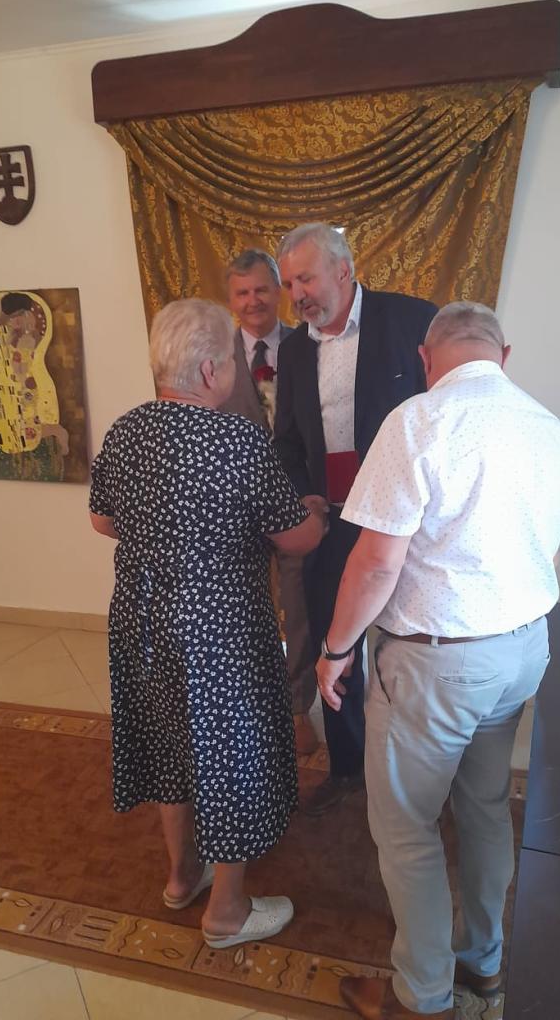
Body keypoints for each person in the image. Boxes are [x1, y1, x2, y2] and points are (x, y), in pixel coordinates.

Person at [316, 302, 560, 1019]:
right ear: (504, 355)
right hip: (521, 650)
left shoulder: (416, 422)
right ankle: (483, 964)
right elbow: (547, 552)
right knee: (486, 806)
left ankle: (422, 995)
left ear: (427, 358)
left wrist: (336, 649)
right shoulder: (550, 430)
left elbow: (376, 565)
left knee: (407, 826)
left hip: (437, 663)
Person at [89, 298, 325, 949]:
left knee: (170, 744)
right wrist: (315, 511)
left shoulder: (125, 430)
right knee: (232, 756)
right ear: (212, 369)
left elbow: (103, 520)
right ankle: (226, 911)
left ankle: (181, 875)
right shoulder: (237, 440)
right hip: (220, 631)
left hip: (141, 622)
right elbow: (296, 538)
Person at [275, 222, 438, 815]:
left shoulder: (412, 320)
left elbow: (438, 413)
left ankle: (422, 773)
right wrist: (303, 496)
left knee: (408, 646)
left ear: (343, 271)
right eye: (290, 284)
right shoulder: (294, 350)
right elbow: (288, 440)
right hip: (332, 519)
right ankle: (347, 768)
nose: (297, 295)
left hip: (401, 524)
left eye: (306, 279)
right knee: (333, 640)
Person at [220, 248, 319, 755]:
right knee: (241, 606)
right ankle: (248, 700)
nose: (253, 300)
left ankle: (298, 706)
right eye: (242, 292)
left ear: (279, 290)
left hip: (295, 498)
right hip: (234, 505)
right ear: (231, 299)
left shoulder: (308, 345)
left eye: (261, 289)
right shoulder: (215, 355)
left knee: (299, 606)